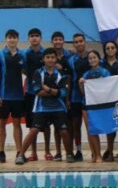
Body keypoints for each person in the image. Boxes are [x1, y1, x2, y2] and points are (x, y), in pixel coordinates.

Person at [16, 48, 75, 164]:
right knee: (33, 130)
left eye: (52, 57)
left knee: (63, 131)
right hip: (41, 107)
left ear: (56, 59)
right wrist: (55, 92)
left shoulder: (61, 74)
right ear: (43, 59)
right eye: (47, 57)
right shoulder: (38, 73)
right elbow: (38, 91)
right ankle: (21, 155)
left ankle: (69, 154)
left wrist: (47, 89)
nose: (50, 59)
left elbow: (63, 93)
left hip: (58, 107)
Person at [79, 50, 110, 163]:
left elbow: (108, 88)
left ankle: (107, 152)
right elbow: (83, 92)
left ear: (99, 59)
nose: (92, 60)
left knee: (105, 129)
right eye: (90, 58)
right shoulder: (86, 75)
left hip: (101, 104)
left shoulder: (105, 72)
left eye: (94, 57)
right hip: (87, 104)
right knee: (91, 130)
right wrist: (80, 84)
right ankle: (96, 155)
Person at [23, 28, 49, 162]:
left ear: (40, 38)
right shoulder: (25, 54)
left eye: (37, 36)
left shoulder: (46, 53)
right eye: (32, 36)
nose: (34, 38)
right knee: (32, 125)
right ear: (29, 38)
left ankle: (47, 151)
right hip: (30, 93)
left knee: (45, 125)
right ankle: (33, 153)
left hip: (44, 93)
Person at [0, 30, 25, 163]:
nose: (12, 40)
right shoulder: (1, 54)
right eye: (10, 37)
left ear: (17, 39)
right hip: (4, 96)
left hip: (18, 97)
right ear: (6, 39)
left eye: (14, 37)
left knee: (17, 124)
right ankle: (1, 152)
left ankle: (19, 152)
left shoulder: (22, 55)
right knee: (1, 124)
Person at [68, 33, 90, 161]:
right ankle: (79, 151)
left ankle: (94, 150)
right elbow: (70, 80)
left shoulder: (92, 57)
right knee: (76, 125)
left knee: (90, 125)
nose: (78, 44)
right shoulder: (71, 60)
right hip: (75, 97)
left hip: (91, 97)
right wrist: (68, 99)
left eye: (80, 41)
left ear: (84, 42)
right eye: (76, 42)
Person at [100, 41, 118, 162]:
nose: (110, 50)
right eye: (107, 48)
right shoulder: (101, 64)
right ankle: (110, 150)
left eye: (112, 47)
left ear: (116, 49)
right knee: (110, 126)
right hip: (107, 98)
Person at [51, 31, 73, 161]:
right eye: (55, 39)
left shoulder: (69, 56)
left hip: (65, 96)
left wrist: (68, 98)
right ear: (52, 41)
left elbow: (69, 78)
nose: (58, 41)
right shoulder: (49, 56)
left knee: (67, 126)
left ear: (63, 41)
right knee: (56, 126)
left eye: (60, 39)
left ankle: (69, 152)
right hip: (52, 97)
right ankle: (58, 152)